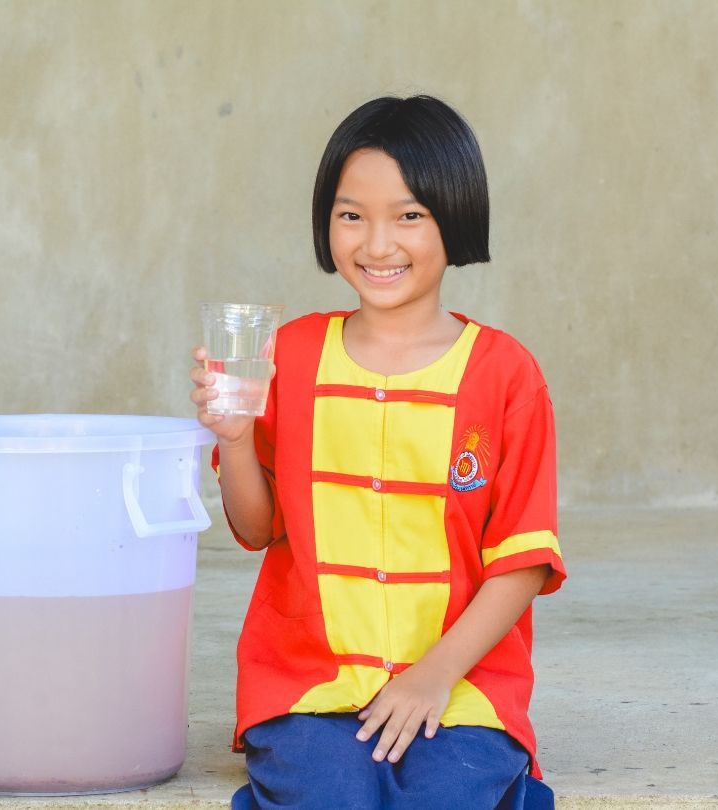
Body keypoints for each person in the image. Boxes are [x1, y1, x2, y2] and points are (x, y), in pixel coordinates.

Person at [189, 95, 567, 810]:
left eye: (409, 215)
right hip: (310, 683)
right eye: (351, 214)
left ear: (455, 216)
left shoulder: (505, 372)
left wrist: (433, 676)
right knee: (327, 796)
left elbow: (523, 561)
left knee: (447, 796)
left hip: (460, 685)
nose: (376, 243)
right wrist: (235, 442)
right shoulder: (290, 355)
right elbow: (255, 528)